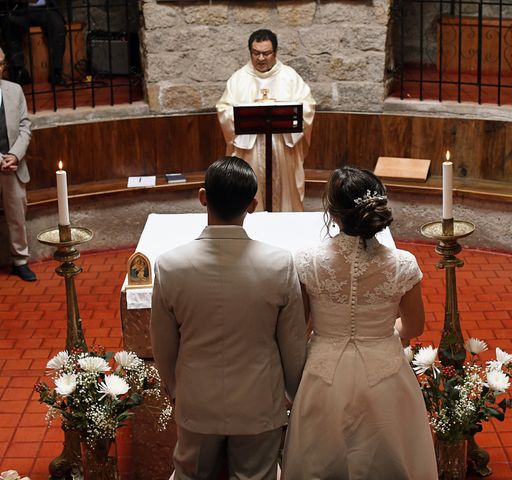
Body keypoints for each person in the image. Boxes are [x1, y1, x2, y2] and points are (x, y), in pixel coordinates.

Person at [150, 156, 307, 480]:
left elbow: (163, 346)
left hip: (197, 401)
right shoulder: (278, 264)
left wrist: (178, 390)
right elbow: (292, 344)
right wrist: (291, 395)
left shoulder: (170, 265)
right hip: (259, 403)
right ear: (252, 205)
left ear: (202, 196)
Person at [281, 166, 437, 479]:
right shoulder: (402, 263)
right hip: (385, 373)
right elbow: (415, 327)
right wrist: (384, 331)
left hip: (324, 373)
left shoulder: (307, 259)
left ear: (332, 213)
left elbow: (299, 326)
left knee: (319, 461)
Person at [216, 28, 315, 212]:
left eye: (266, 53)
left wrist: (282, 112)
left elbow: (307, 107)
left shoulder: (289, 77)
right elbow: (223, 109)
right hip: (250, 150)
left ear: (275, 53)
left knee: (285, 196)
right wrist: (242, 115)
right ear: (250, 52)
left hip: (282, 149)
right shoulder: (238, 79)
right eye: (256, 53)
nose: (261, 58)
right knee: (249, 192)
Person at [0, 48, 35, 281]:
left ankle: (20, 261)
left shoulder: (15, 90)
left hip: (12, 165)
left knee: (16, 215)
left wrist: (14, 155)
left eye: (0, 63)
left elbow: (25, 126)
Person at [0, 0, 66, 85]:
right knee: (11, 26)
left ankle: (56, 72)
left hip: (46, 9)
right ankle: (19, 71)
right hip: (21, 9)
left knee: (58, 27)